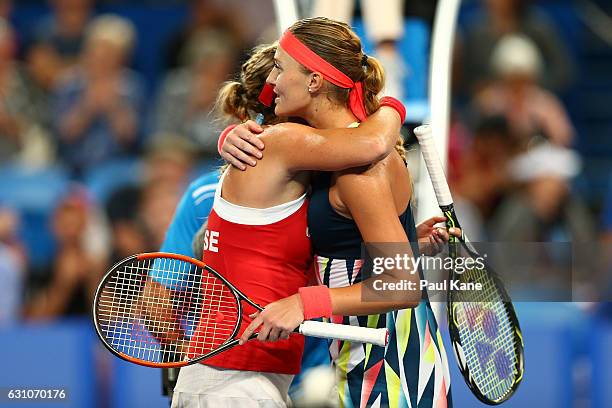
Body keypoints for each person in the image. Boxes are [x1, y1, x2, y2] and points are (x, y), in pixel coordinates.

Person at [225, 18, 453, 407]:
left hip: (394, 375)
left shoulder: (357, 171)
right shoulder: (336, 151)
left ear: (314, 82)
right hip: (364, 364)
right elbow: (361, 248)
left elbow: (401, 284)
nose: (272, 82)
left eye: (280, 68)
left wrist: (303, 303)